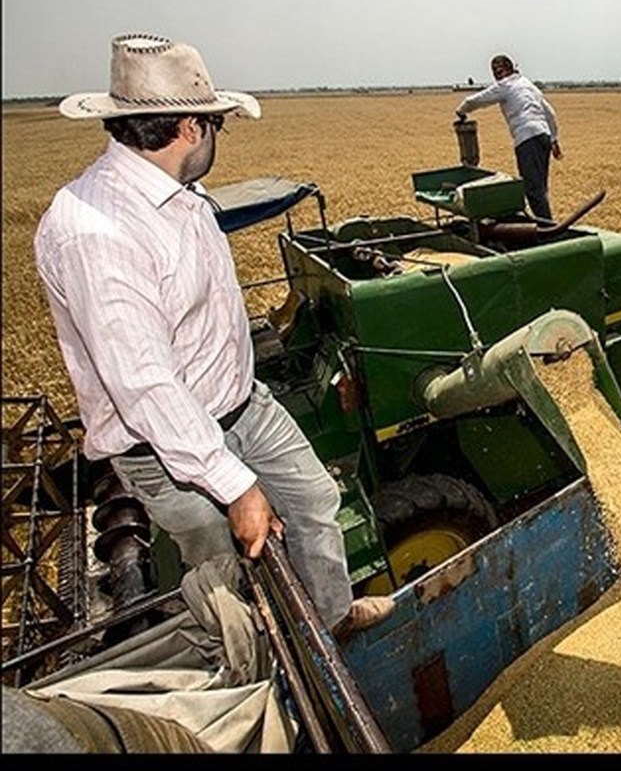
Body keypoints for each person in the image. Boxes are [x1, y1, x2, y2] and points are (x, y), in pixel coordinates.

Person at [34, 33, 394, 641]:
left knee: (313, 501)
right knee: (219, 573)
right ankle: (252, 672)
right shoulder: (94, 232)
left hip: (242, 403)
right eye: (216, 125)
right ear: (191, 129)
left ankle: (332, 619)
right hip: (162, 446)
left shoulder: (182, 194)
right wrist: (236, 485)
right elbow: (146, 389)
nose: (216, 136)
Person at [455, 54, 562, 221]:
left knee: (533, 190)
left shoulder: (505, 85)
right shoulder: (528, 84)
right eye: (494, 71)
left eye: (500, 70)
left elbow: (476, 100)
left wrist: (461, 111)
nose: (497, 74)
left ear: (509, 69)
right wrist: (554, 139)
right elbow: (549, 113)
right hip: (543, 137)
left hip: (527, 138)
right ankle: (546, 223)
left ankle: (548, 229)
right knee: (540, 187)